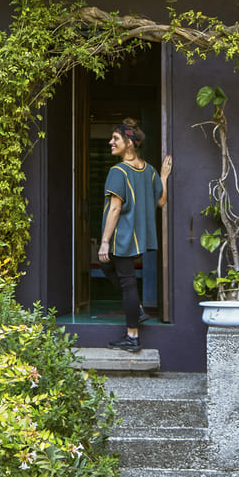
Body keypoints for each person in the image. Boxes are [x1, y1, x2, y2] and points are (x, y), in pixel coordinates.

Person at [98, 118, 172, 352]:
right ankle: (137, 309)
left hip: (121, 236)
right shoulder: (149, 170)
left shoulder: (118, 171)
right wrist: (163, 177)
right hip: (137, 237)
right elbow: (161, 201)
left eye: (116, 139)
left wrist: (104, 241)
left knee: (126, 282)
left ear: (129, 143)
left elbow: (115, 208)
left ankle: (132, 336)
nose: (111, 142)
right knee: (111, 270)